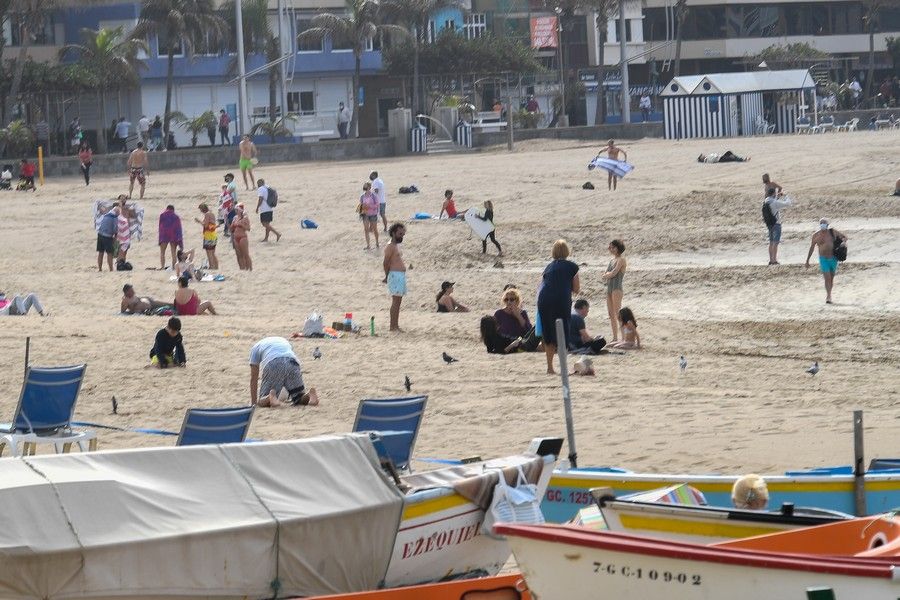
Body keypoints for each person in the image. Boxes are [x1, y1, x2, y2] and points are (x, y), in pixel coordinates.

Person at [537, 239, 580, 374]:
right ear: (567, 251)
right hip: (561, 299)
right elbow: (576, 289)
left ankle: (550, 368)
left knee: (548, 333)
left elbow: (541, 285)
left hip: (544, 299)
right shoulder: (572, 266)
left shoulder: (548, 267)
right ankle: (563, 368)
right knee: (562, 332)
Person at [249, 336, 319, 407]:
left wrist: (253, 403)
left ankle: (269, 397)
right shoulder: (283, 340)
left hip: (273, 363)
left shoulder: (255, 348)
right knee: (299, 398)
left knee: (262, 401)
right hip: (293, 362)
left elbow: (254, 378)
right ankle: (310, 395)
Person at [805, 218, 848, 304]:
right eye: (821, 223)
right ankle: (828, 296)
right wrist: (807, 260)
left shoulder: (833, 232)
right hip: (823, 259)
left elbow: (844, 237)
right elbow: (812, 248)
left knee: (831, 278)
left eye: (824, 223)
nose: (823, 224)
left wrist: (843, 242)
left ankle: (829, 294)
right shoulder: (816, 235)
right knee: (827, 277)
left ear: (828, 224)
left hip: (833, 258)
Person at [383, 223, 407, 332]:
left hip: (399, 275)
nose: (401, 236)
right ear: (393, 233)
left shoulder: (395, 245)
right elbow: (386, 262)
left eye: (403, 234)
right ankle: (393, 326)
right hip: (395, 275)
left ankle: (395, 325)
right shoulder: (390, 246)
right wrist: (387, 275)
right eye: (400, 234)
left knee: (398, 301)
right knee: (395, 301)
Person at [601, 239, 626, 341]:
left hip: (616, 288)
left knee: (617, 313)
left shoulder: (621, 260)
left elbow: (613, 273)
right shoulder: (611, 261)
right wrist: (607, 275)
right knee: (611, 314)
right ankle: (615, 337)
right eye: (610, 247)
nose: (610, 249)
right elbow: (606, 274)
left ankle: (623, 337)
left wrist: (607, 275)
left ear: (617, 248)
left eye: (612, 247)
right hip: (609, 288)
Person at [763, 188, 792, 265]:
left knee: (771, 242)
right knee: (775, 243)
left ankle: (771, 259)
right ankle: (774, 260)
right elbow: (788, 203)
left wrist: (777, 196)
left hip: (769, 224)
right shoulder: (775, 202)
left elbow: (773, 201)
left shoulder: (766, 201)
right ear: (773, 193)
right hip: (776, 224)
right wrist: (786, 195)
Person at [194, 203, 219, 269]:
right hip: (213, 234)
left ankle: (211, 266)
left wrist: (199, 221)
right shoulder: (211, 213)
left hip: (208, 235)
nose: (200, 211)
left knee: (209, 253)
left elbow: (205, 225)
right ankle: (216, 267)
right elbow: (212, 225)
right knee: (213, 253)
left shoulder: (207, 214)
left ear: (203, 209)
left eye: (200, 209)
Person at [158, 204, 183, 270]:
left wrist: (160, 236)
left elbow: (160, 226)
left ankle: (163, 267)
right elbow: (178, 228)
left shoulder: (162, 215)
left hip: (164, 234)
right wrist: (179, 240)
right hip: (173, 235)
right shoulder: (176, 217)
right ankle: (174, 267)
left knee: (162, 252)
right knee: (173, 252)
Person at [231, 203, 252, 270]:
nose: (236, 211)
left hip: (242, 237)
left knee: (246, 254)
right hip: (235, 237)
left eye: (237, 210)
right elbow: (231, 229)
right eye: (235, 210)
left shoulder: (245, 218)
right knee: (239, 255)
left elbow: (248, 228)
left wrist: (242, 225)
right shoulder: (235, 218)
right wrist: (232, 225)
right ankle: (242, 269)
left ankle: (249, 268)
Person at [96, 206, 118, 271]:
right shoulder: (114, 218)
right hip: (107, 237)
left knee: (101, 252)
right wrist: (115, 238)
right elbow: (115, 229)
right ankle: (111, 269)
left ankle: (100, 268)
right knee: (109, 253)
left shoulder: (106, 215)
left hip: (100, 234)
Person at [360, 180, 380, 250]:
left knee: (374, 229)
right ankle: (368, 245)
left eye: (365, 186)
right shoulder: (362, 196)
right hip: (365, 214)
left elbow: (377, 205)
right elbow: (361, 205)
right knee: (366, 230)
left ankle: (377, 242)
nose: (364, 187)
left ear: (369, 187)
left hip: (373, 214)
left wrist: (370, 206)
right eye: (364, 186)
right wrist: (362, 209)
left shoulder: (373, 195)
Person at [116, 196, 132, 266]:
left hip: (127, 229)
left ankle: (123, 261)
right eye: (121, 198)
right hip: (119, 229)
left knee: (126, 246)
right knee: (121, 246)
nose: (123, 200)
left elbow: (132, 216)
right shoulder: (116, 208)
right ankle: (119, 262)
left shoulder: (128, 208)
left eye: (124, 198)